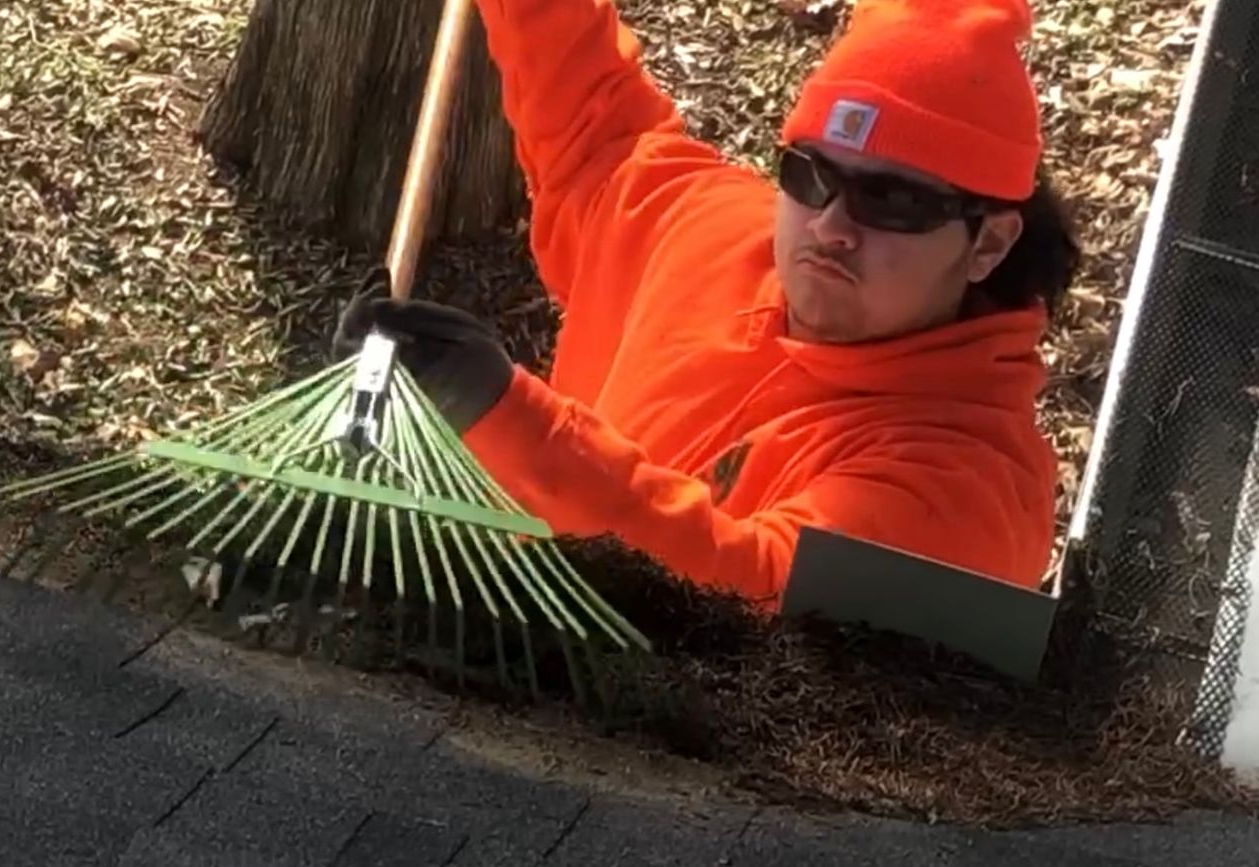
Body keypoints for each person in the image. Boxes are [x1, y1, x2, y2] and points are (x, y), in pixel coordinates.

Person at [335, 0, 1081, 610]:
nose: (830, 227)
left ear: (988, 244)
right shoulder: (715, 231)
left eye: (894, 201)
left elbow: (754, 602)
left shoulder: (966, 491)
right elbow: (593, 130)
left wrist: (508, 421)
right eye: (810, 174)